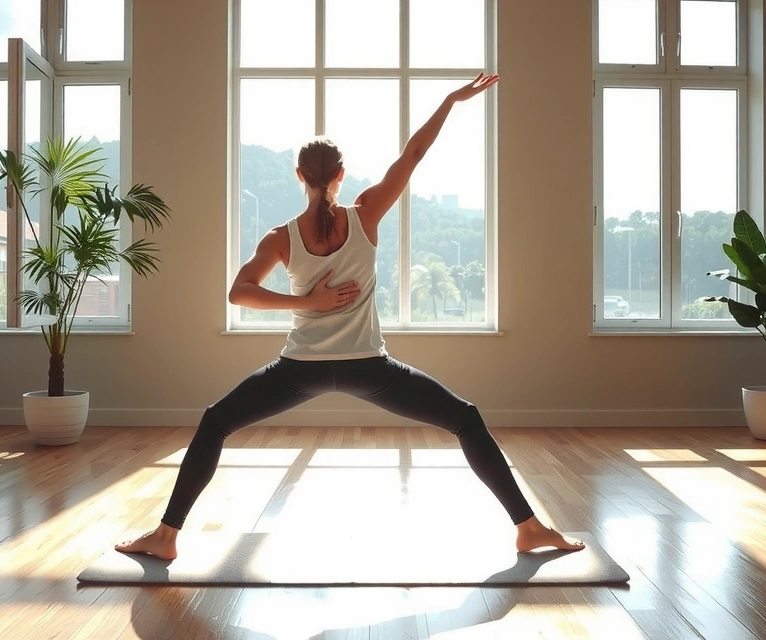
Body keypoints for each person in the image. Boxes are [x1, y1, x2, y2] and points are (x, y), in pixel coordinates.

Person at [116, 73, 584, 561]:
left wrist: (304, 303)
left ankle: (166, 537)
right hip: (370, 369)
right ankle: (527, 527)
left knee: (216, 422)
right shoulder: (365, 216)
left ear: (298, 176)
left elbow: (241, 293)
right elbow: (413, 155)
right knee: (465, 420)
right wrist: (451, 100)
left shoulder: (283, 236)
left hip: (299, 370)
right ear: (341, 175)